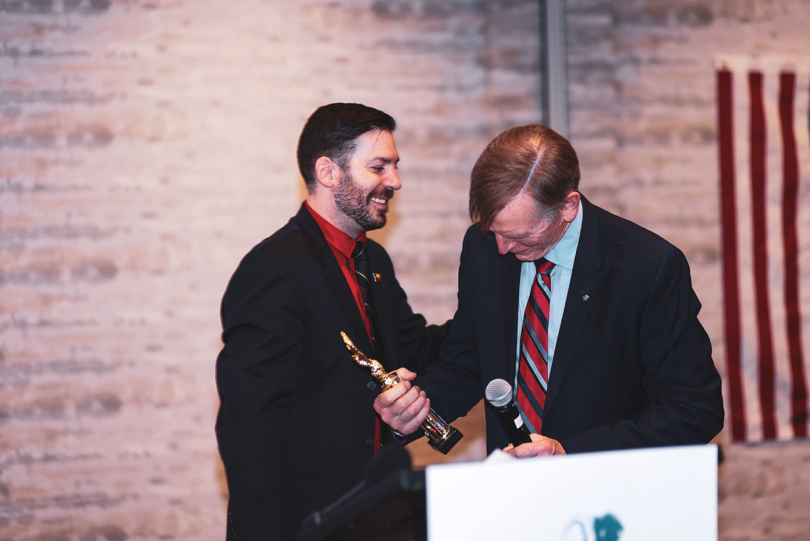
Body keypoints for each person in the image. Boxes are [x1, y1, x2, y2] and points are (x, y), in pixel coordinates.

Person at [375, 124, 724, 458]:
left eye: (520, 235)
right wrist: (416, 407)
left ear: (568, 206)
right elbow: (470, 361)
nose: (502, 248)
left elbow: (693, 410)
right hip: (512, 483)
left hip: (607, 492)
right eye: (494, 230)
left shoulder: (646, 266)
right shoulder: (482, 246)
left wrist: (567, 453)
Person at [215, 103, 450, 540]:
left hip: (374, 515)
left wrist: (490, 311)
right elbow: (250, 425)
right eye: (378, 166)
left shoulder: (372, 259)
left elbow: (414, 348)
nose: (394, 181)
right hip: (304, 524)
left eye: (395, 166)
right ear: (328, 172)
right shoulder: (273, 269)